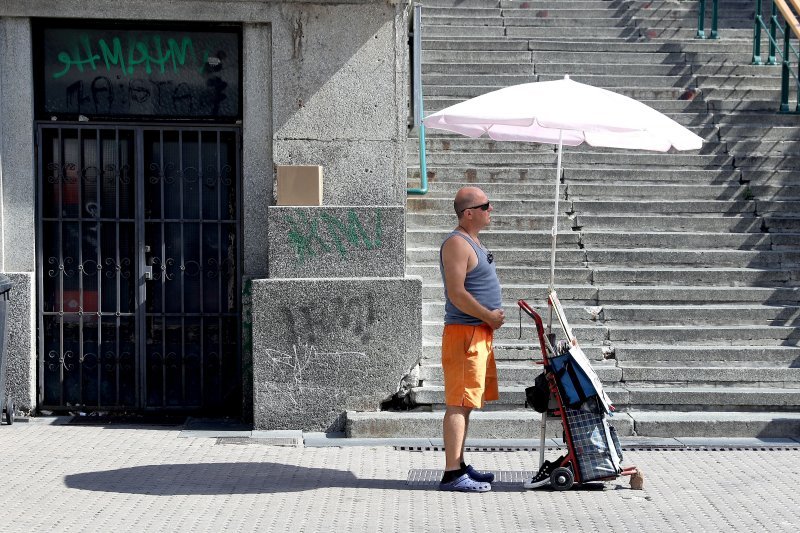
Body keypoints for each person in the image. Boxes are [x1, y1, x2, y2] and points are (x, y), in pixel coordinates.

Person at [437, 186, 504, 493]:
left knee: (467, 403)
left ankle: (460, 463)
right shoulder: (456, 243)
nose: (491, 209)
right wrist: (488, 316)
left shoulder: (472, 241)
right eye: (485, 205)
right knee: (458, 403)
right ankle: (452, 473)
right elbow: (457, 293)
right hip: (465, 334)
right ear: (468, 213)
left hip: (477, 334)